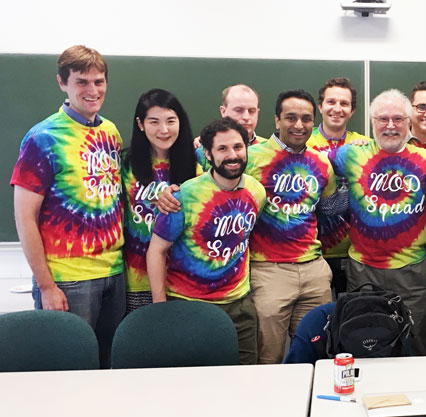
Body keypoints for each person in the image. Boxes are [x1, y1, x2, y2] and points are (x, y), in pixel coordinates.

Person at [11, 45, 124, 368]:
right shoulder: (43, 137)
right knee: (66, 371)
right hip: (68, 280)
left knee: (109, 368)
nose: (93, 90)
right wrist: (46, 286)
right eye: (82, 82)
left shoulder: (110, 132)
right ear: (63, 83)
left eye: (99, 81)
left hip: (115, 274)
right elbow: (24, 216)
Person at [328, 89, 426, 355]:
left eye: (398, 119)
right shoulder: (350, 155)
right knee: (364, 343)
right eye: (382, 119)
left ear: (409, 122)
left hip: (412, 272)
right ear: (371, 123)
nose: (390, 126)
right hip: (363, 270)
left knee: (416, 344)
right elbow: (312, 163)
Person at [147, 117, 266, 365]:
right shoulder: (183, 196)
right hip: (190, 305)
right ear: (208, 155)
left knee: (246, 381)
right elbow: (157, 251)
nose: (232, 155)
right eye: (222, 149)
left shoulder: (257, 192)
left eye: (238, 147)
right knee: (192, 385)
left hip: (240, 306)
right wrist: (160, 308)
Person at [245, 90, 340, 364]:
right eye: (291, 118)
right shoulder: (250, 158)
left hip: (314, 271)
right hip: (268, 271)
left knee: (320, 355)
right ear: (276, 120)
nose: (299, 125)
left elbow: (328, 207)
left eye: (306, 119)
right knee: (268, 357)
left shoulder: (322, 163)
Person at [121, 89, 198, 313]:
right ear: (140, 123)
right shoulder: (124, 164)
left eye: (171, 121)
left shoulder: (199, 164)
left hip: (183, 282)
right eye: (154, 122)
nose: (163, 130)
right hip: (135, 281)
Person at [307, 77, 368, 299]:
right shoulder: (304, 141)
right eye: (331, 102)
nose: (337, 109)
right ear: (320, 106)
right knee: (318, 320)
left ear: (352, 111)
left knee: (350, 319)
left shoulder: (364, 144)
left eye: (344, 104)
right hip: (311, 252)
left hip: (353, 252)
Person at [195, 84, 266, 169]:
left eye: (252, 111)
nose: (246, 117)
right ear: (223, 111)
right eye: (239, 110)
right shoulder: (202, 152)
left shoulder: (269, 150)